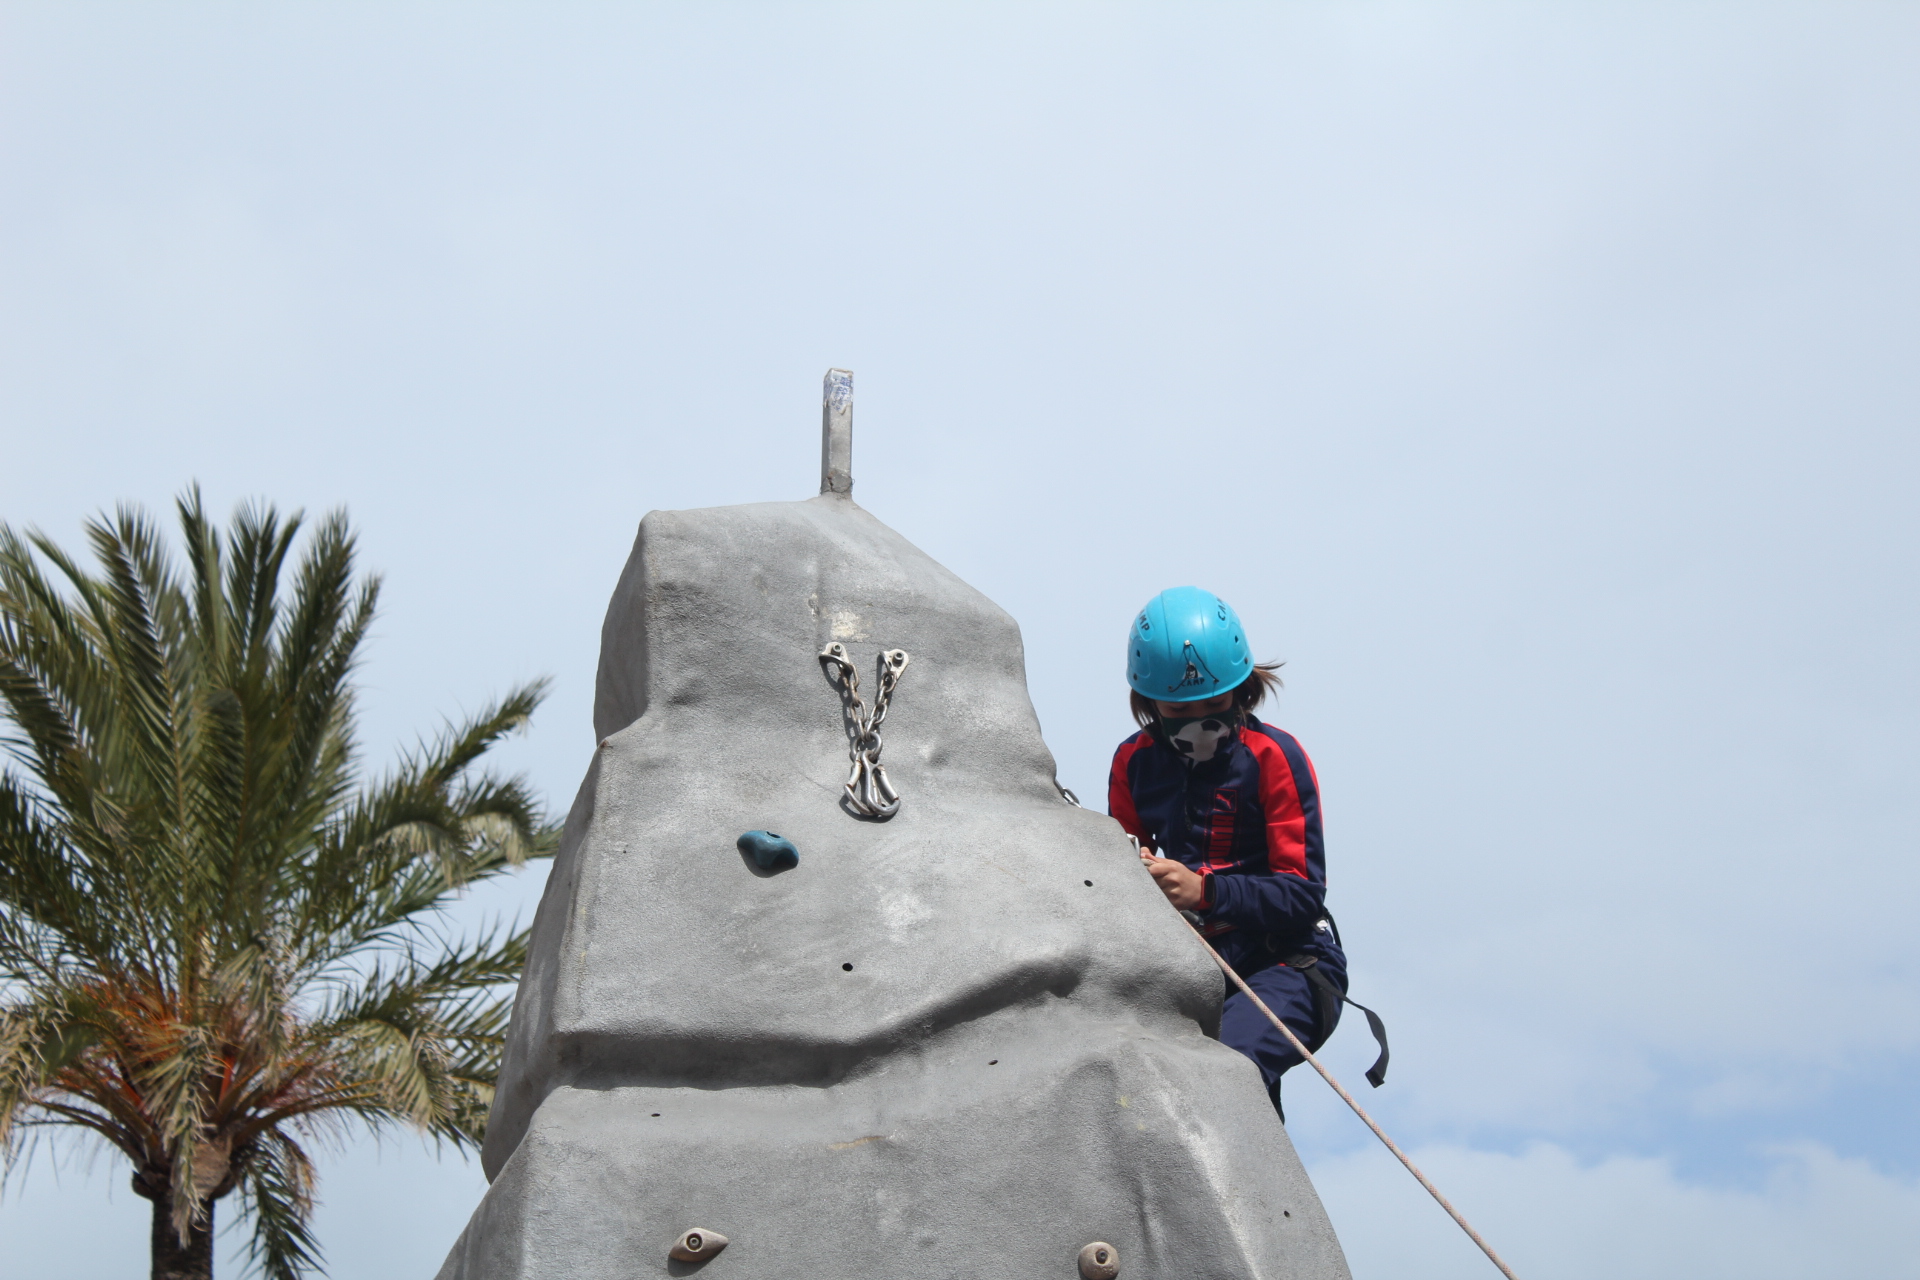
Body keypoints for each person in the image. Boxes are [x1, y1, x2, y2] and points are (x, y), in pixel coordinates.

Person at [1108, 585, 1348, 1119]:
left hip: (1290, 961)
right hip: (1201, 966)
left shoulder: (1274, 757)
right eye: (1178, 707)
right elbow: (1120, 866)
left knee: (1227, 1070)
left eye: (1215, 704)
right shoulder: (1133, 764)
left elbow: (1303, 893)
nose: (1200, 718)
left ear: (1242, 692)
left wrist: (1205, 891)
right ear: (1149, 704)